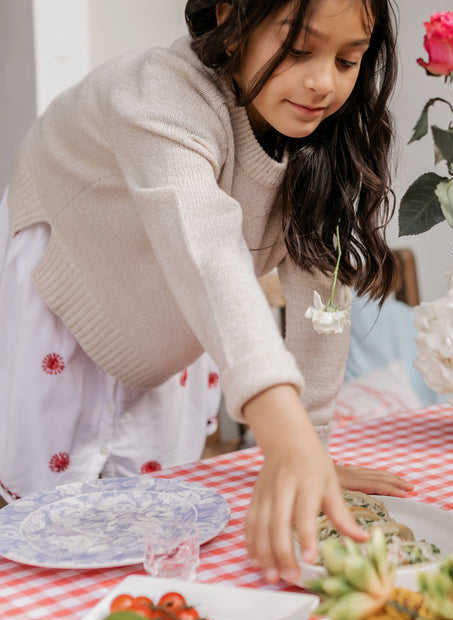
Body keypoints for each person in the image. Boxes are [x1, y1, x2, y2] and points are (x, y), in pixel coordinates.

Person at [0, 0, 412, 582]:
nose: (322, 83)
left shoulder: (326, 140)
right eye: (298, 49)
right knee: (47, 533)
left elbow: (323, 299)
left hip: (173, 312)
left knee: (152, 529)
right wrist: (283, 430)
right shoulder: (158, 94)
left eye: (348, 60)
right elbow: (208, 250)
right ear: (229, 17)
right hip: (68, 293)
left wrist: (310, 442)